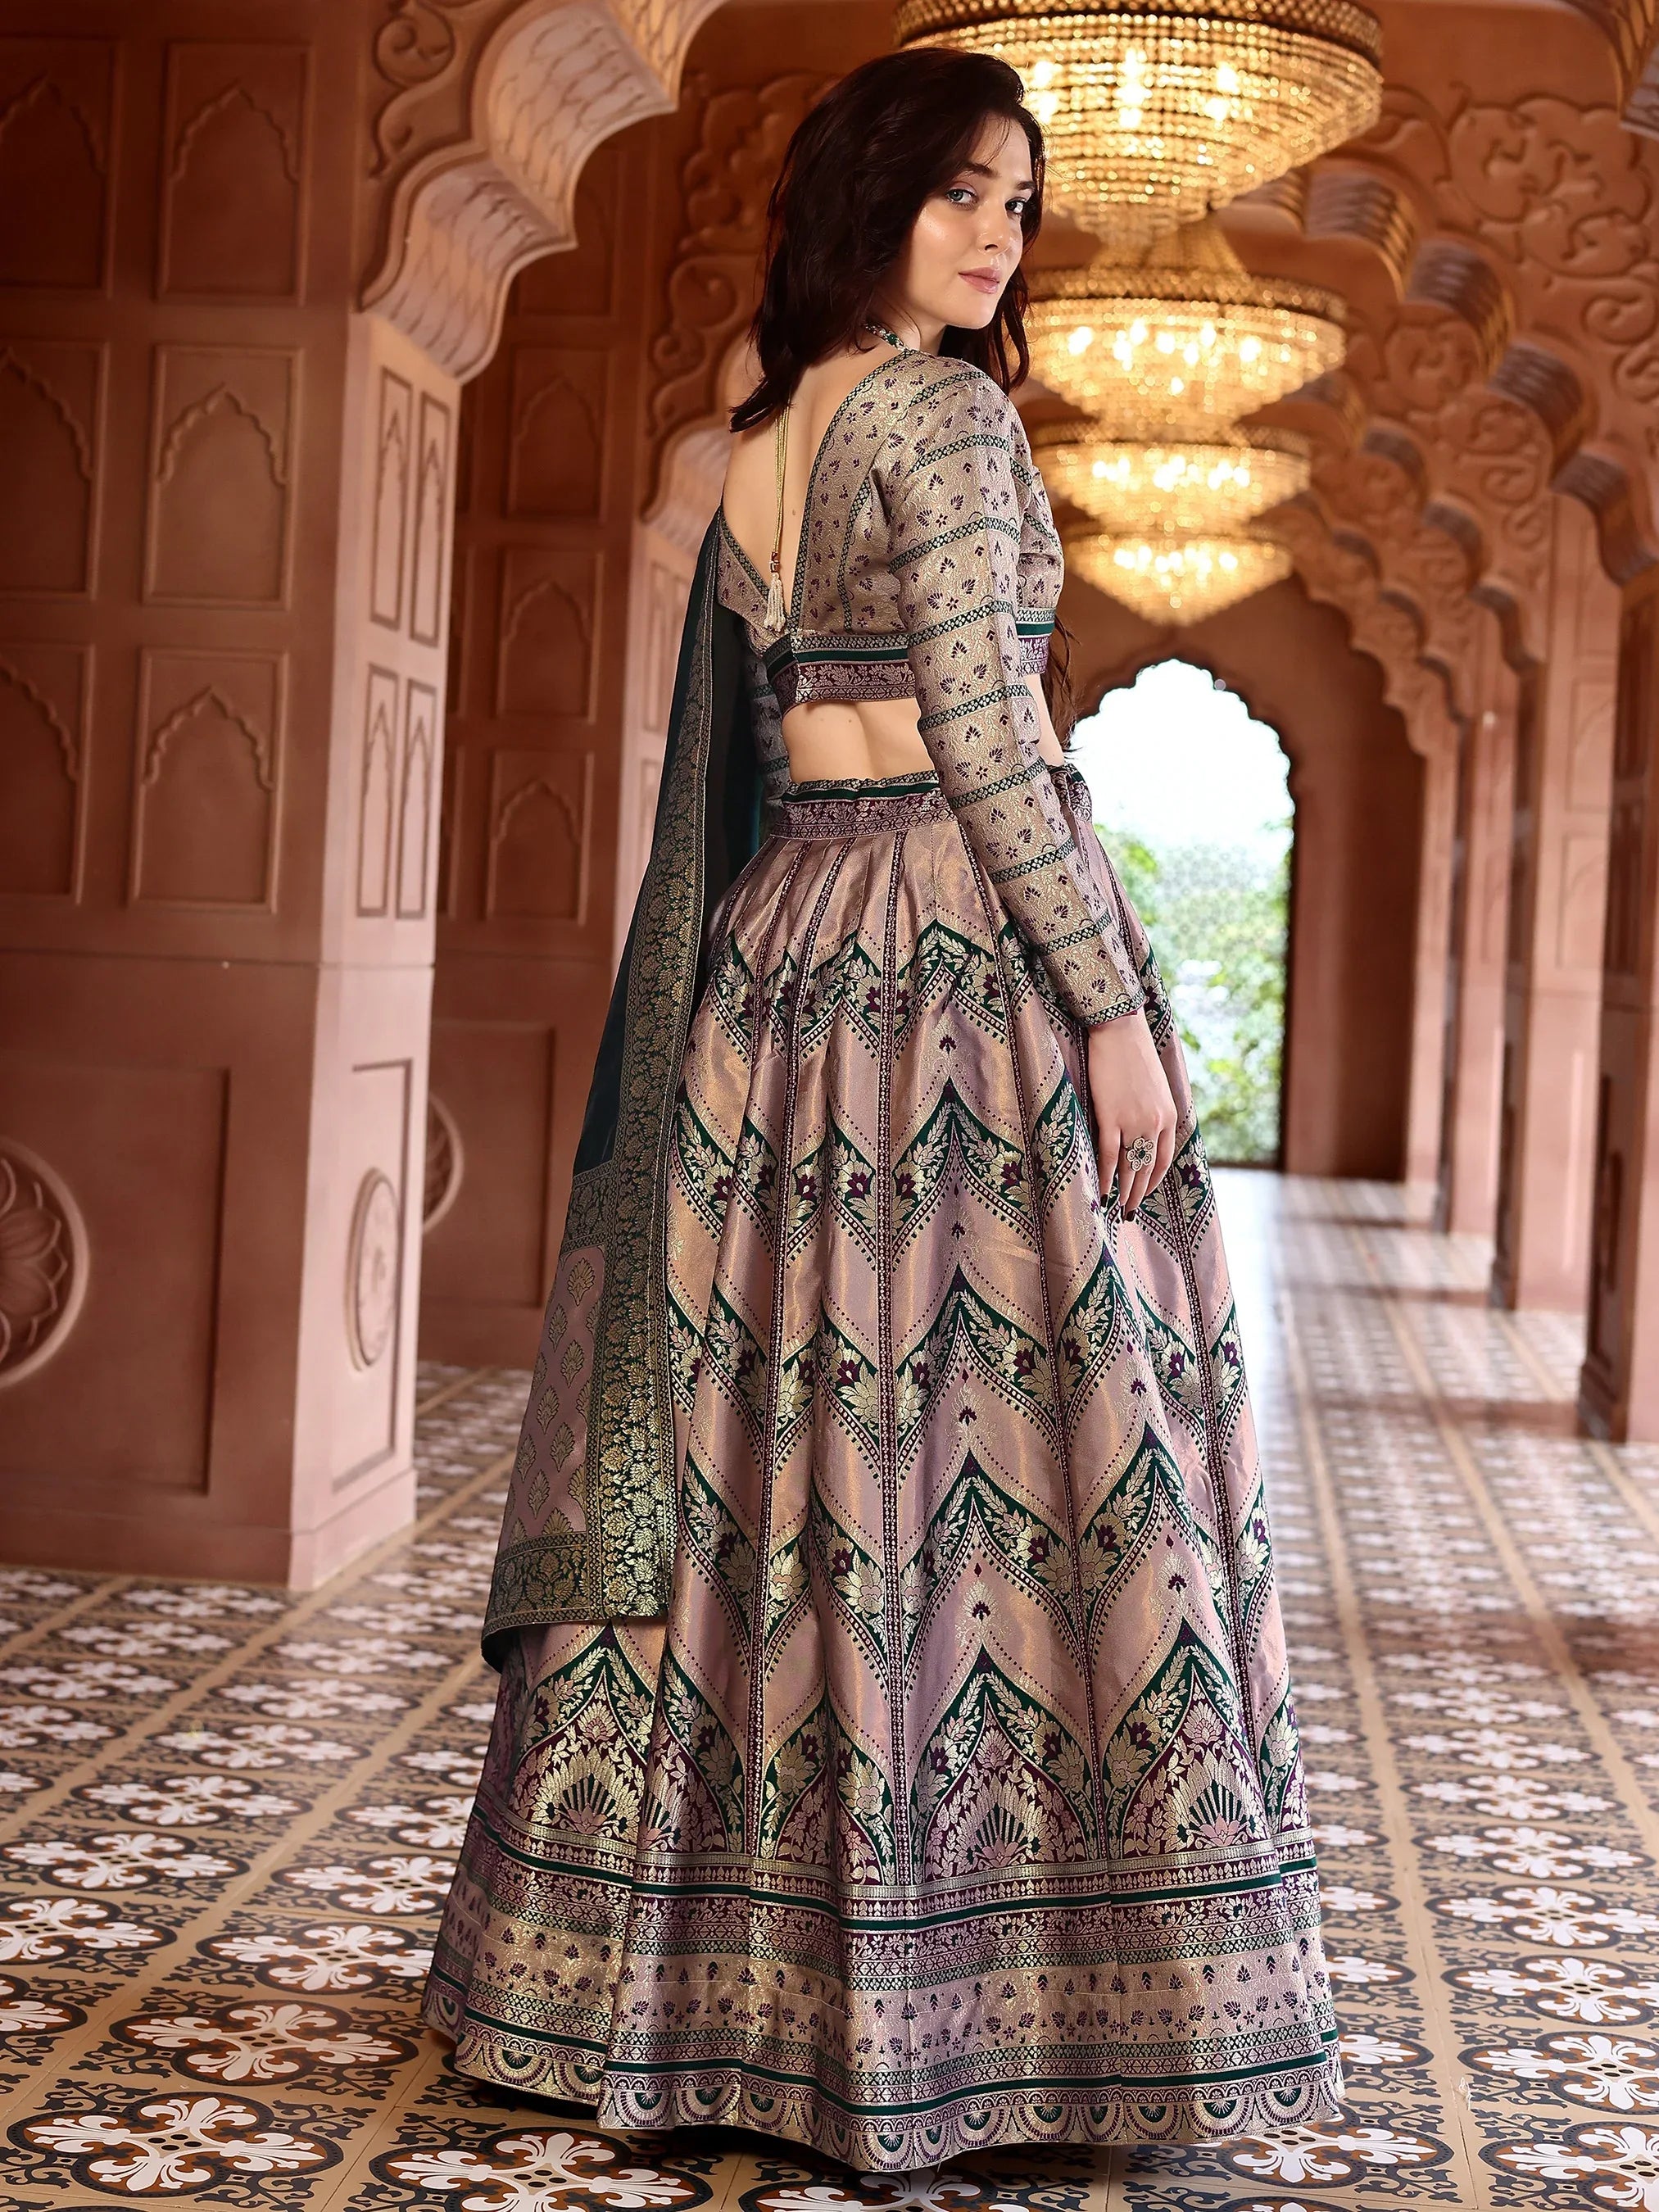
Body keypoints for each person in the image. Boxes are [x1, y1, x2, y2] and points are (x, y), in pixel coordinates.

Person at [424, 45, 1342, 2173]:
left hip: (776, 962)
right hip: (940, 968)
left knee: (775, 1464)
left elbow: (772, 735)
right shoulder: (934, 412)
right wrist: (1112, 1005)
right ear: (868, 199)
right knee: (995, 1455)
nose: (994, 231)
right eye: (954, 191)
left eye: (1014, 200)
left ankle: (671, 1983)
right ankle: (990, 2002)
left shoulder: (764, 428)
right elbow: (991, 740)